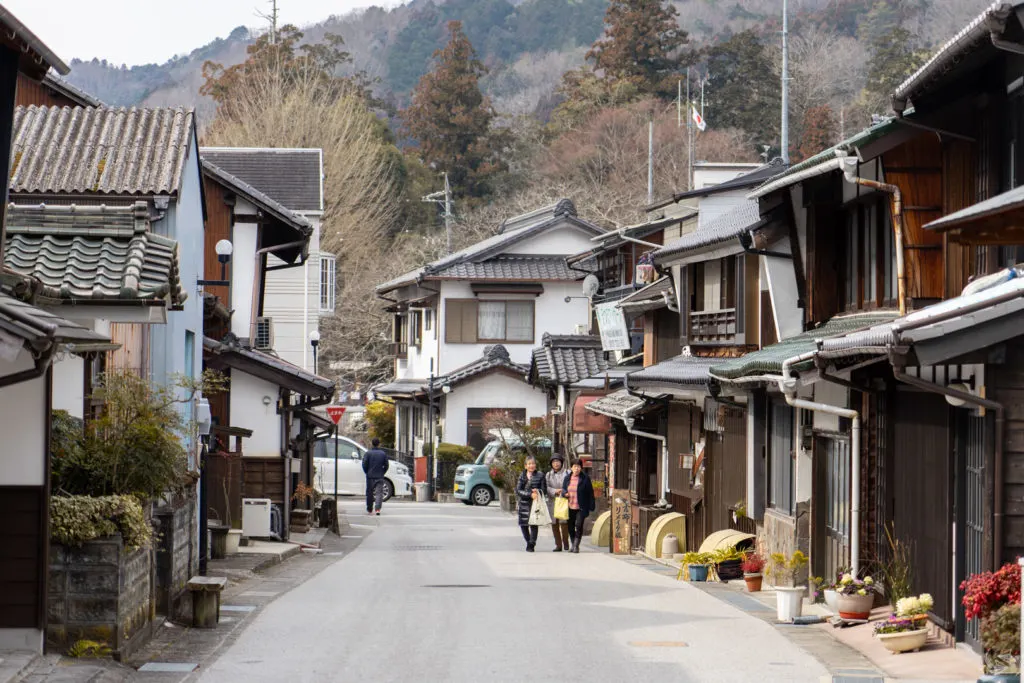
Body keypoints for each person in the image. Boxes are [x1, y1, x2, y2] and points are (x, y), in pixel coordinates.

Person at [563, 459, 595, 553]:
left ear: (581, 468)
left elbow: (590, 492)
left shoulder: (585, 478)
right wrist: (565, 493)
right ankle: (573, 544)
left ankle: (576, 546)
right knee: (570, 526)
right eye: (575, 466)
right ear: (571, 468)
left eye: (578, 467)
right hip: (569, 506)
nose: (576, 469)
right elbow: (564, 489)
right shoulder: (567, 478)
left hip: (581, 506)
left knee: (579, 525)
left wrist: (591, 505)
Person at [515, 456, 545, 552]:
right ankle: (529, 542)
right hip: (524, 504)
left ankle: (532, 544)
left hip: (535, 504)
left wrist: (538, 491)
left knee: (534, 524)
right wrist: (529, 494)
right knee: (523, 525)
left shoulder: (540, 475)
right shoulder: (522, 476)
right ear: (525, 466)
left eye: (533, 463)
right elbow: (518, 490)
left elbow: (544, 490)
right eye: (529, 464)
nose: (531, 465)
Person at [545, 455, 570, 552]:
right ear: (551, 463)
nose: (556, 463)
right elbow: (546, 487)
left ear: (561, 462)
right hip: (553, 501)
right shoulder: (548, 475)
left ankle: (566, 542)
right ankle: (558, 545)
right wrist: (555, 491)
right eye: (554, 461)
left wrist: (563, 492)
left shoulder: (567, 472)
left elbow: (571, 485)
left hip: (564, 500)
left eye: (558, 461)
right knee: (554, 524)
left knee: (564, 523)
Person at [361, 438, 389, 516]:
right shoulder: (383, 454)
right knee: (379, 493)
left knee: (369, 493)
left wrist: (367, 472)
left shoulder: (368, 453)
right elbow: (386, 465)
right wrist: (382, 472)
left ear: (372, 444)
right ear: (378, 444)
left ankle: (370, 509)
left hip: (370, 476)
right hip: (379, 476)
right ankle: (377, 509)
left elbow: (364, 464)